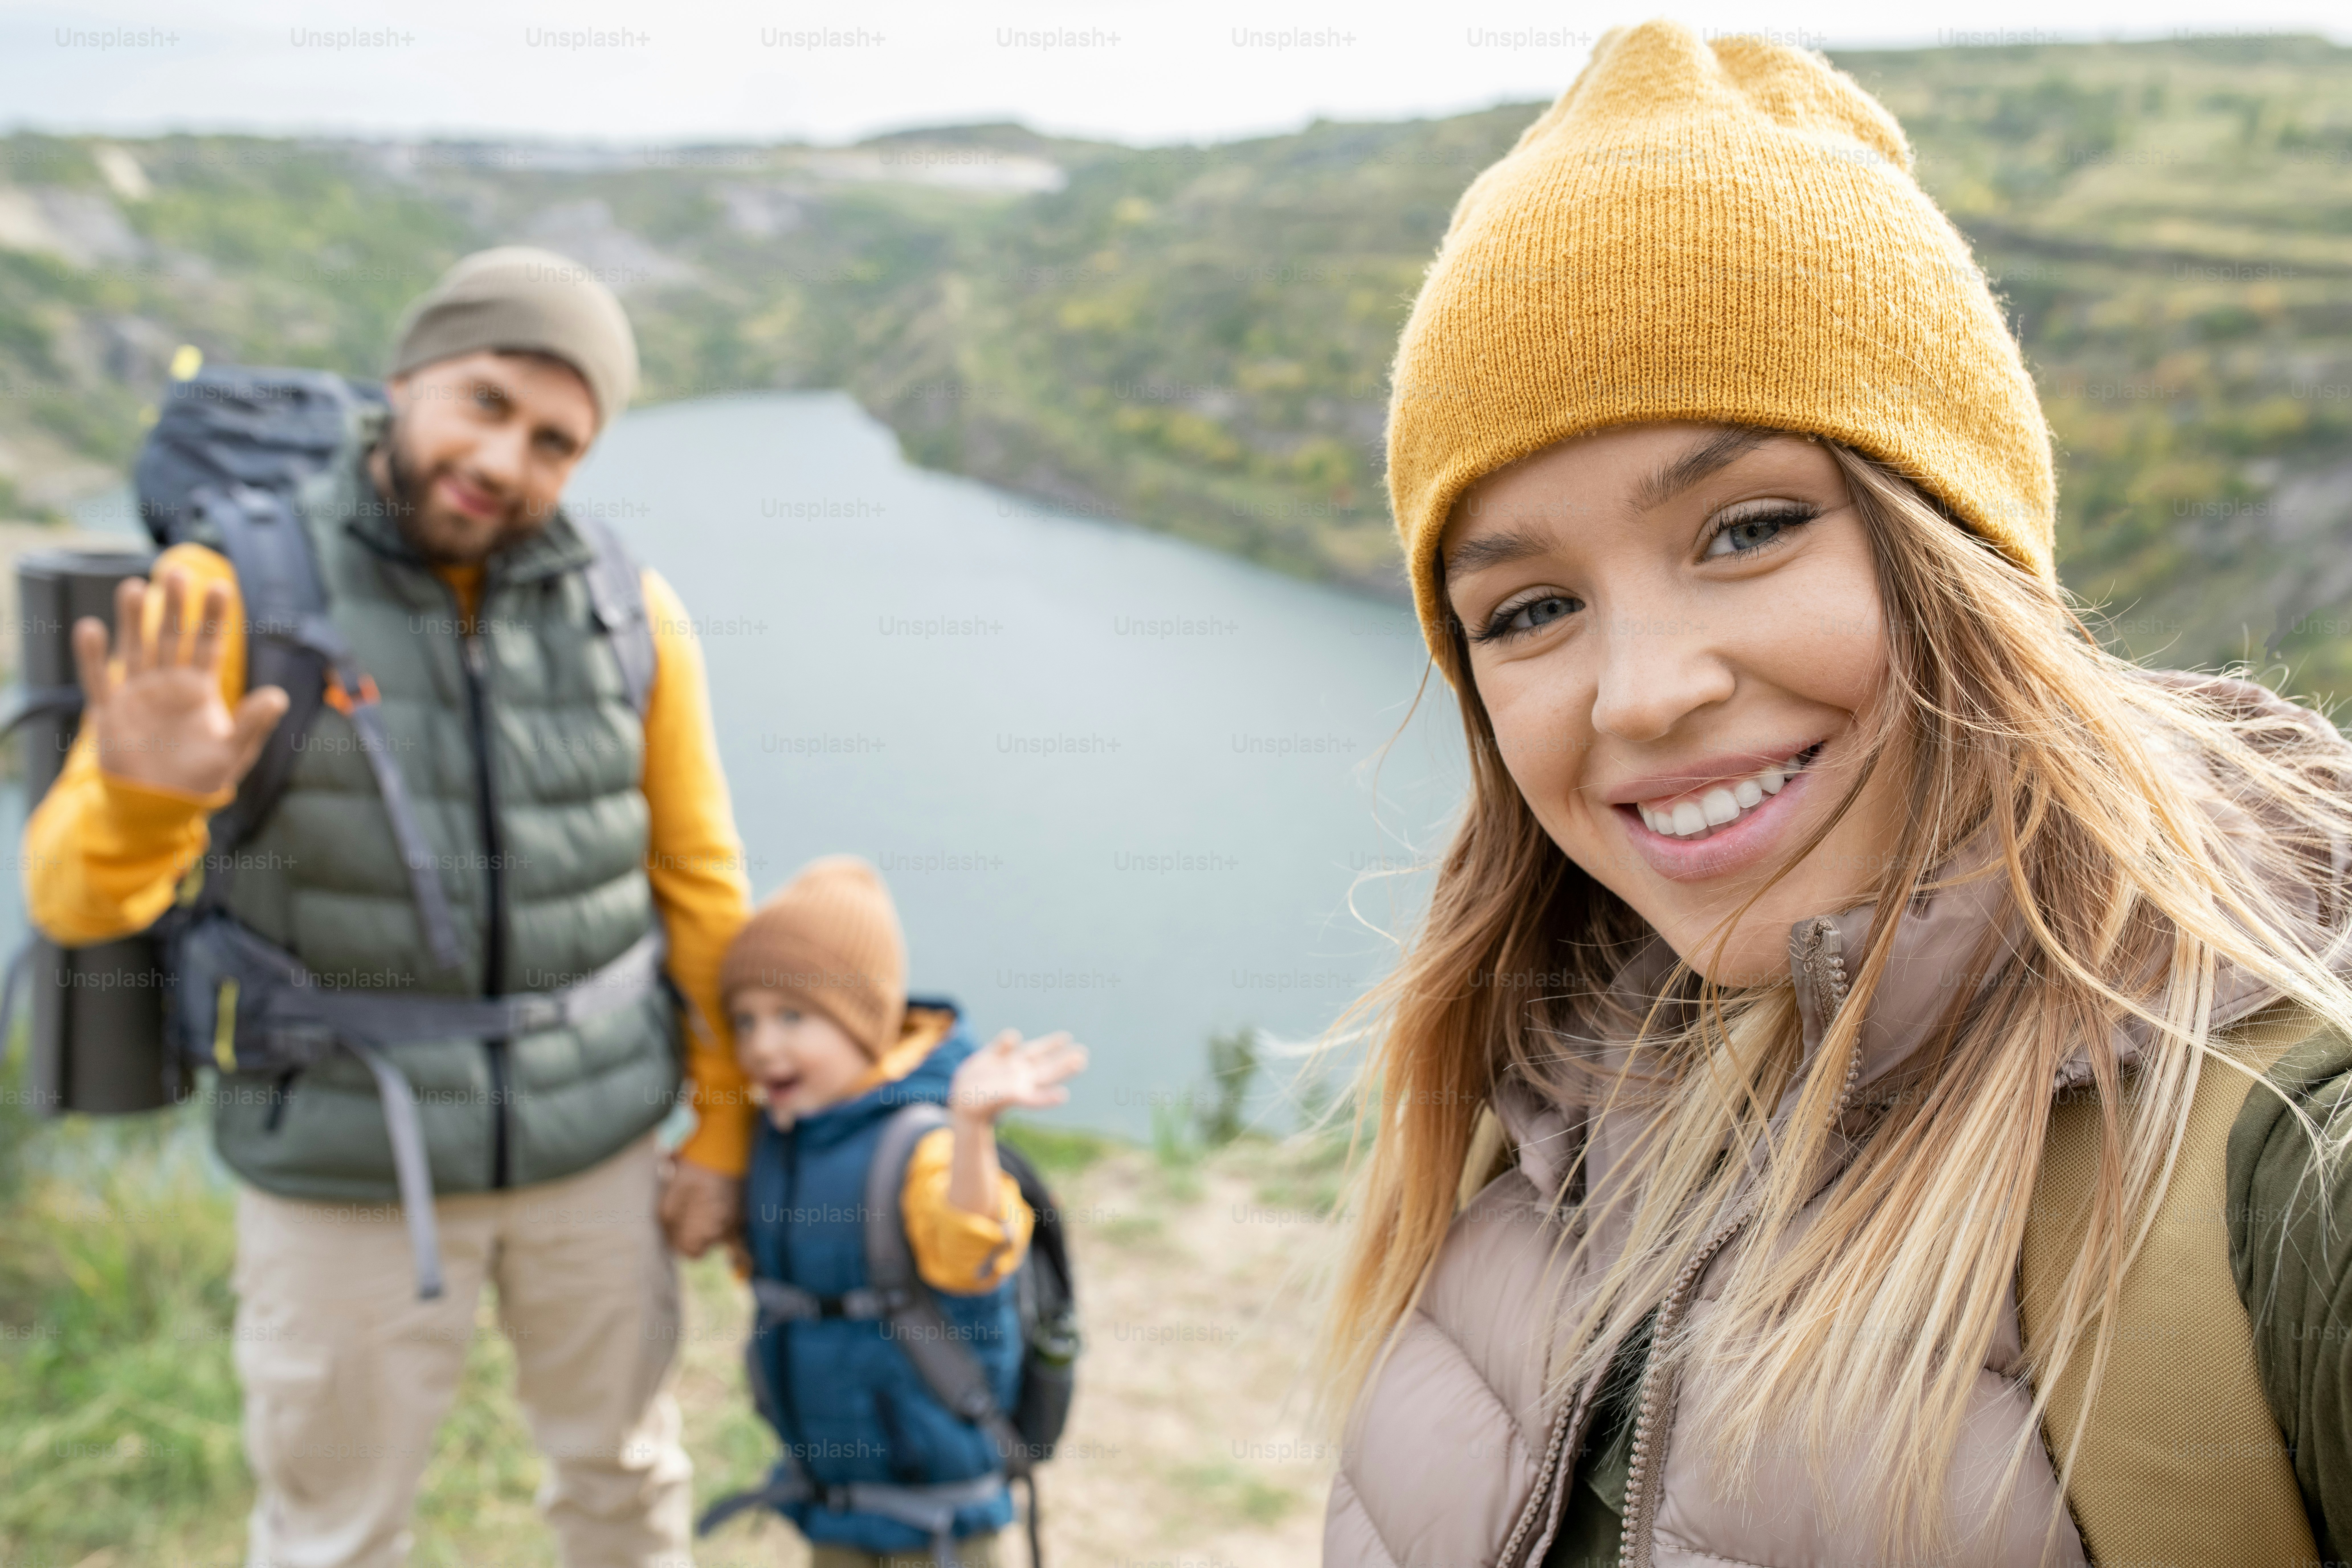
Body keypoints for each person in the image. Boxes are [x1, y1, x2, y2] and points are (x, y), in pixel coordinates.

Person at [1318, 23, 2352, 1568]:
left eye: (1746, 529)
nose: (1639, 693)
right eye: (1529, 610)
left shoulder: (2289, 1167)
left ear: (1959, 552)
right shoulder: (1539, 1095)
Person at [22, 246, 759, 1568]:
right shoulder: (228, 590)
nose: (506, 462)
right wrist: (143, 796)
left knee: (626, 1481)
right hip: (343, 1163)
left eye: (556, 441)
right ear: (406, 380)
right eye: (486, 403)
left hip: (596, 1151)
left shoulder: (627, 607)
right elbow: (74, 901)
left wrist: (722, 1123)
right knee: (336, 1533)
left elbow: (699, 879)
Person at [721, 855, 1085, 1568]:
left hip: (944, 1519)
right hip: (836, 1500)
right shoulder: (784, 1139)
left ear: (866, 1024)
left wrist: (972, 1131)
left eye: (793, 1016)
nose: (763, 1045)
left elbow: (973, 1253)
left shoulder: (921, 1142)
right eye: (745, 1019)